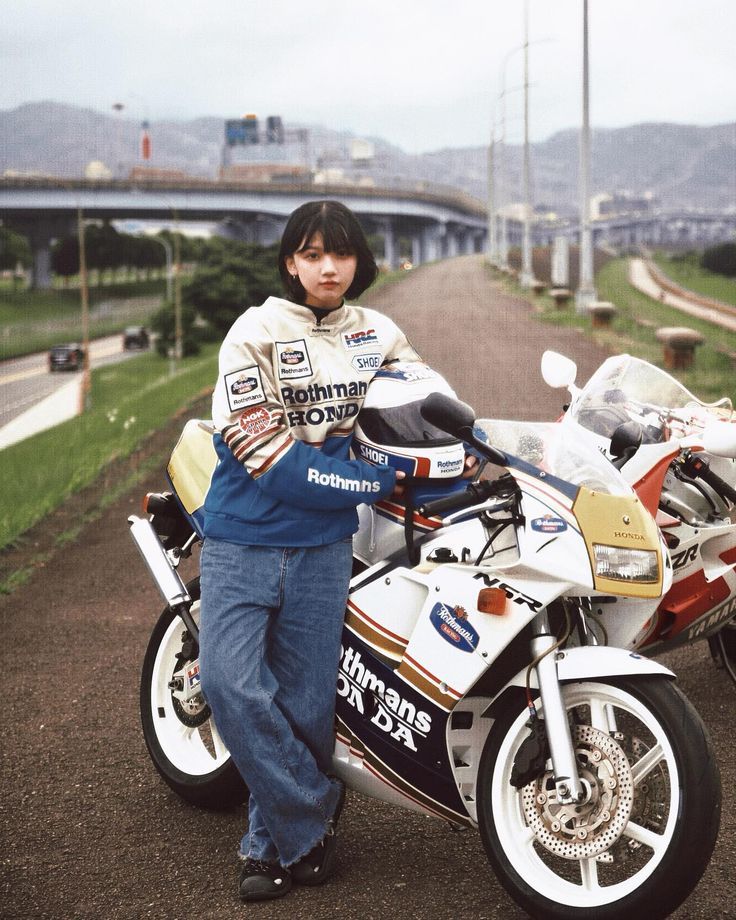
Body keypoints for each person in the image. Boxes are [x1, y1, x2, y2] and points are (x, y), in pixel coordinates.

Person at [198, 200, 420, 903]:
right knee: (230, 685)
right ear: (290, 261)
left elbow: (423, 407)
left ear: (359, 261)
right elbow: (270, 458)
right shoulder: (253, 332)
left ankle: (268, 847)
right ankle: (310, 815)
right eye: (313, 253)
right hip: (242, 534)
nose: (329, 267)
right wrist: (367, 478)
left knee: (303, 704)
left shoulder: (379, 333)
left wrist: (469, 449)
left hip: (326, 545)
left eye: (342, 253)